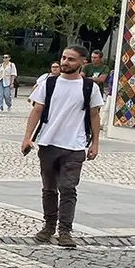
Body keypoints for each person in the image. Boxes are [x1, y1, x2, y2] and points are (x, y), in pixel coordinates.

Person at [21, 46, 103, 249]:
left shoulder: (89, 87)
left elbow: (94, 115)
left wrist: (95, 142)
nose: (65, 62)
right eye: (64, 57)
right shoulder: (48, 83)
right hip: (48, 143)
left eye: (71, 59)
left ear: (83, 62)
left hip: (75, 146)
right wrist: (27, 137)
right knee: (49, 188)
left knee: (68, 188)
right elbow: (37, 110)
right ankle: (49, 226)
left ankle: (65, 231)